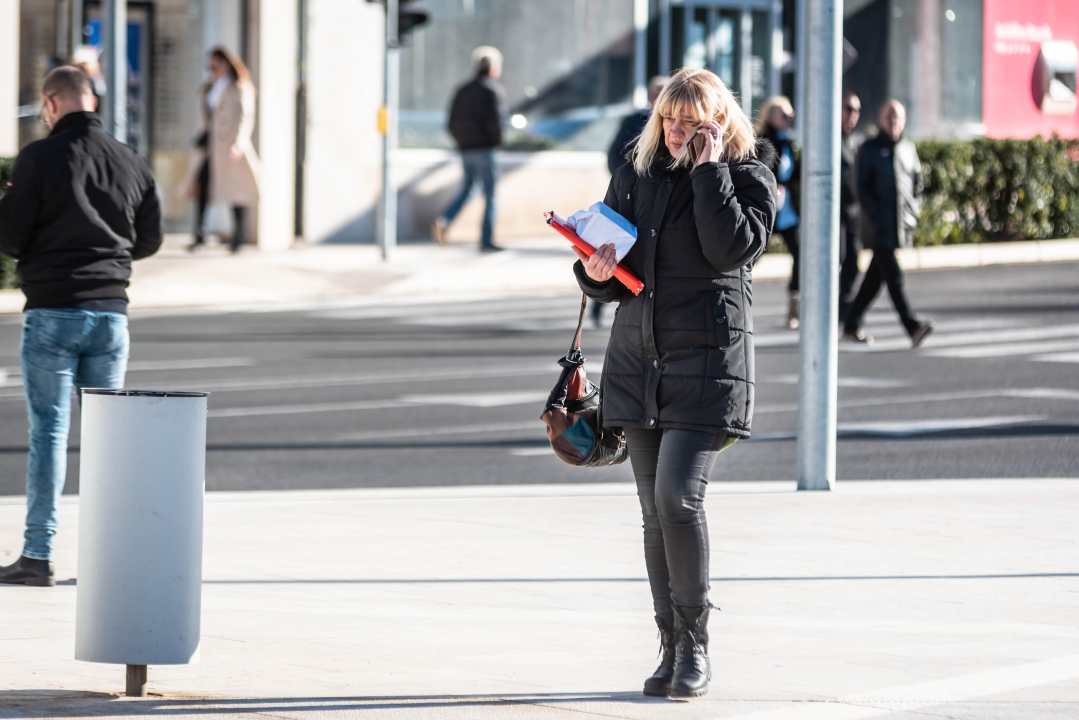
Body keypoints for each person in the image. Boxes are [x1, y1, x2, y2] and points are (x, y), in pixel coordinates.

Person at [572, 68, 775, 698]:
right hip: (638, 358)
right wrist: (594, 267)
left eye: (693, 121)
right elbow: (614, 277)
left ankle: (696, 648)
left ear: (721, 121)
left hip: (707, 364)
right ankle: (668, 645)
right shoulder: (636, 176)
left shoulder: (749, 176)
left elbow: (732, 249)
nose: (679, 131)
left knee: (678, 499)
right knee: (652, 513)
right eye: (671, 119)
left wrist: (709, 171)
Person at [0, 67, 163, 586]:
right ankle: (105, 560)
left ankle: (36, 556)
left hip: (52, 309)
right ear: (91, 101)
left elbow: (8, 235)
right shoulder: (131, 160)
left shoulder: (38, 158)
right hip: (112, 314)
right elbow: (150, 239)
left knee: (49, 433)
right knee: (105, 437)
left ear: (51, 104)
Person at [842, 99, 934, 347]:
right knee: (894, 276)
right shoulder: (869, 148)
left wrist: (913, 211)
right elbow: (858, 186)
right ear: (881, 119)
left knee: (875, 278)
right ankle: (912, 325)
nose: (893, 120)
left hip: (900, 223)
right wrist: (875, 211)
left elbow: (917, 183)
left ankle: (851, 324)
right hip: (876, 225)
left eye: (898, 116)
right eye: (889, 115)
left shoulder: (907, 147)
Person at [591, 76, 668, 327]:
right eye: (655, 92)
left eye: (663, 92)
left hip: (659, 199)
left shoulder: (675, 125)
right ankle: (597, 302)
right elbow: (614, 154)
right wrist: (625, 180)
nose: (657, 97)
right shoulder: (634, 120)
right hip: (631, 195)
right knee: (610, 248)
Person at [184, 47, 260, 253]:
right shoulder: (210, 88)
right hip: (209, 146)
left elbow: (246, 118)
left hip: (229, 147)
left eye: (214, 65)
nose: (211, 70)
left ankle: (239, 236)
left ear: (226, 63)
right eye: (208, 66)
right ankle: (198, 234)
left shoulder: (240, 87)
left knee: (236, 190)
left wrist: (239, 143)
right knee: (202, 187)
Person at [432, 46, 507, 252]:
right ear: (492, 67)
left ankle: (445, 220)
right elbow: (496, 123)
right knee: (490, 193)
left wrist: (463, 143)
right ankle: (486, 240)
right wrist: (497, 142)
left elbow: (451, 122)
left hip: (466, 149)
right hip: (484, 149)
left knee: (468, 189)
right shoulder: (491, 90)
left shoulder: (463, 89)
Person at [755, 96, 801, 328]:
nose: (789, 119)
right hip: (769, 204)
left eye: (791, 116)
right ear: (772, 115)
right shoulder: (764, 140)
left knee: (799, 253)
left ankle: (794, 304)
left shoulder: (787, 140)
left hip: (787, 207)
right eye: (785, 115)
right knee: (754, 251)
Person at [838, 92, 863, 322]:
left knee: (853, 262)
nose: (853, 114)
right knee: (840, 256)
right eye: (848, 108)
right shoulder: (829, 140)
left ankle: (843, 311)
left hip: (854, 212)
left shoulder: (856, 141)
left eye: (857, 110)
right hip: (833, 212)